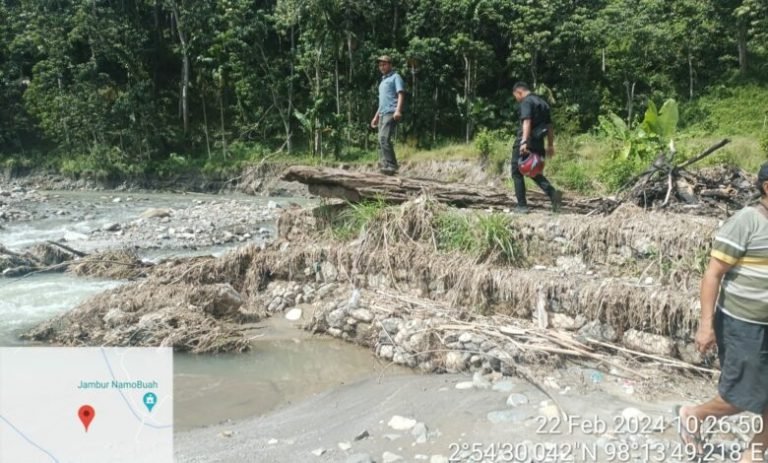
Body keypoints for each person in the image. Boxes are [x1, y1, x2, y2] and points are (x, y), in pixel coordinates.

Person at [678, 163, 768, 462]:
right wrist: (706, 326)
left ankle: (752, 456)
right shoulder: (747, 221)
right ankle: (694, 415)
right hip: (743, 325)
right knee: (739, 397)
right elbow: (713, 273)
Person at [510, 82, 562, 213]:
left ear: (519, 92)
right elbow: (550, 127)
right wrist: (550, 145)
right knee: (534, 172)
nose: (516, 99)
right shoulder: (543, 103)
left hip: (526, 142)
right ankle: (554, 195)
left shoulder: (526, 102)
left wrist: (523, 142)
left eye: (515, 96)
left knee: (516, 172)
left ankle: (522, 206)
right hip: (539, 143)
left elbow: (527, 121)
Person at [370, 55, 405, 175]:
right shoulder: (383, 81)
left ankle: (392, 165)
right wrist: (376, 116)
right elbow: (382, 102)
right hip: (383, 113)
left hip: (391, 111)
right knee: (380, 140)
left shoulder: (396, 77)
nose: (382, 67)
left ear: (390, 65)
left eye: (384, 64)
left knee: (384, 138)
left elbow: (400, 94)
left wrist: (398, 110)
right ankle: (385, 165)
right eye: (380, 65)